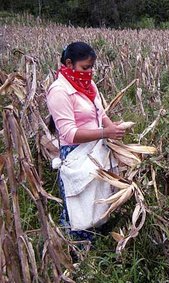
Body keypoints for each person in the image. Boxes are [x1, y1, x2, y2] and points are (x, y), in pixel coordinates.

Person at [47, 42, 125, 241]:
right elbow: (70, 133)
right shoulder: (59, 91)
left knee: (98, 204)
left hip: (96, 150)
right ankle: (76, 255)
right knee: (80, 210)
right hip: (76, 154)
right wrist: (104, 132)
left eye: (91, 67)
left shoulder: (88, 85)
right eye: (85, 67)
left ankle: (99, 246)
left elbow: (100, 112)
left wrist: (111, 127)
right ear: (69, 63)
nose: (89, 72)